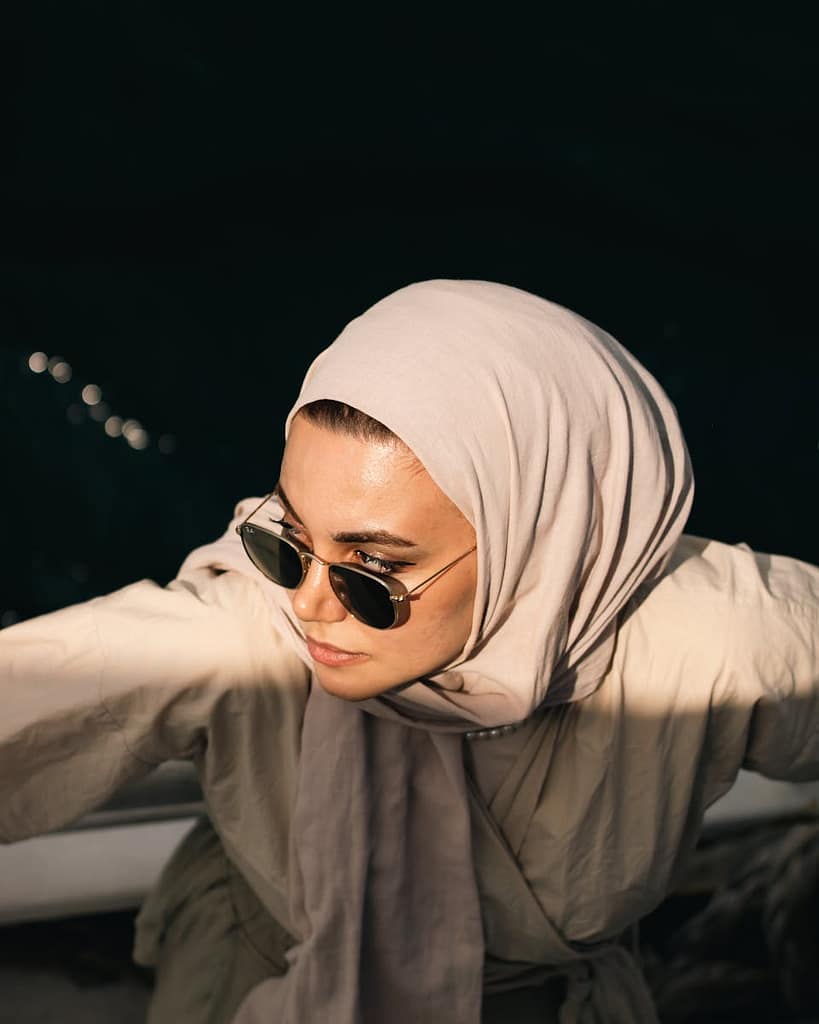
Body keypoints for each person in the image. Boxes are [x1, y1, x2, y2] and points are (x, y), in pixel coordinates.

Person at [1, 279, 818, 1024]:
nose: (306, 602)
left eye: (374, 571)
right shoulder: (240, 635)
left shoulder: (716, 644)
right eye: (287, 538)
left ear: (538, 542)